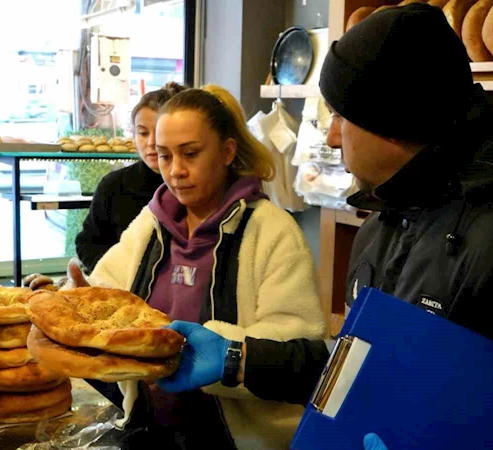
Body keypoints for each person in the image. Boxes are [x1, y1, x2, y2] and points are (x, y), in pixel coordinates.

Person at [151, 4, 493, 450]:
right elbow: (359, 368)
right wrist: (238, 359)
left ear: (393, 123)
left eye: (342, 116)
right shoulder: (387, 222)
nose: (333, 137)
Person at [68, 85, 326, 449]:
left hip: (232, 438)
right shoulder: (151, 223)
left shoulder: (273, 231)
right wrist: (81, 303)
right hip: (149, 428)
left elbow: (298, 344)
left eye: (190, 154)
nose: (175, 171)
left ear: (227, 151)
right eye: (164, 156)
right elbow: (109, 295)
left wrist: (220, 355)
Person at [75, 82, 187, 272]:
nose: (151, 142)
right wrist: (118, 273)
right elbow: (87, 243)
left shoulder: (191, 184)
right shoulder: (115, 186)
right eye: (142, 133)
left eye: (159, 131)